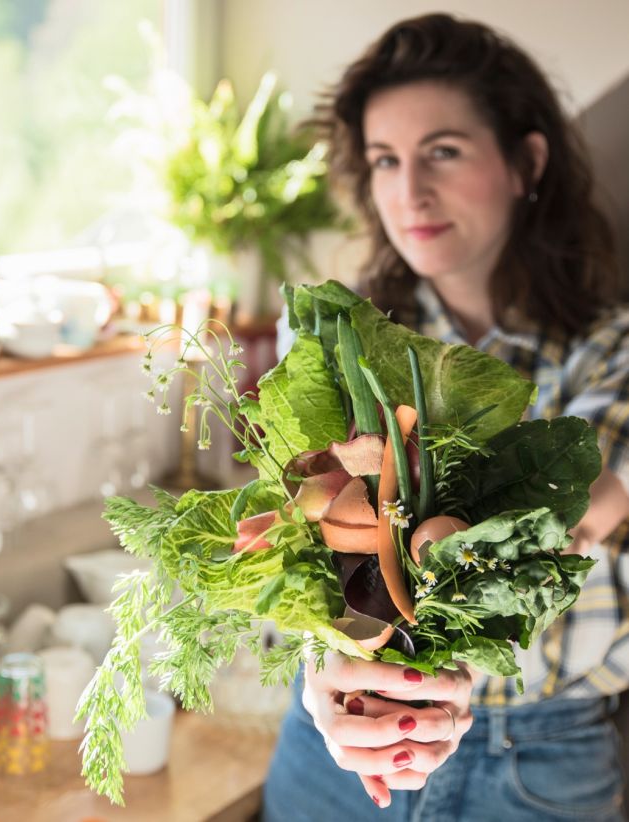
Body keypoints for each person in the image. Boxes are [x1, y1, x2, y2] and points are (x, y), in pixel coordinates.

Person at [262, 13, 629, 822]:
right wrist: (329, 675)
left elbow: (594, 498)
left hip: (539, 759)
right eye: (386, 160)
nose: (408, 192)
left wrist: (446, 671)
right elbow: (294, 545)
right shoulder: (334, 339)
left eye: (443, 152)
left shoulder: (610, 347)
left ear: (526, 162)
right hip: (339, 747)